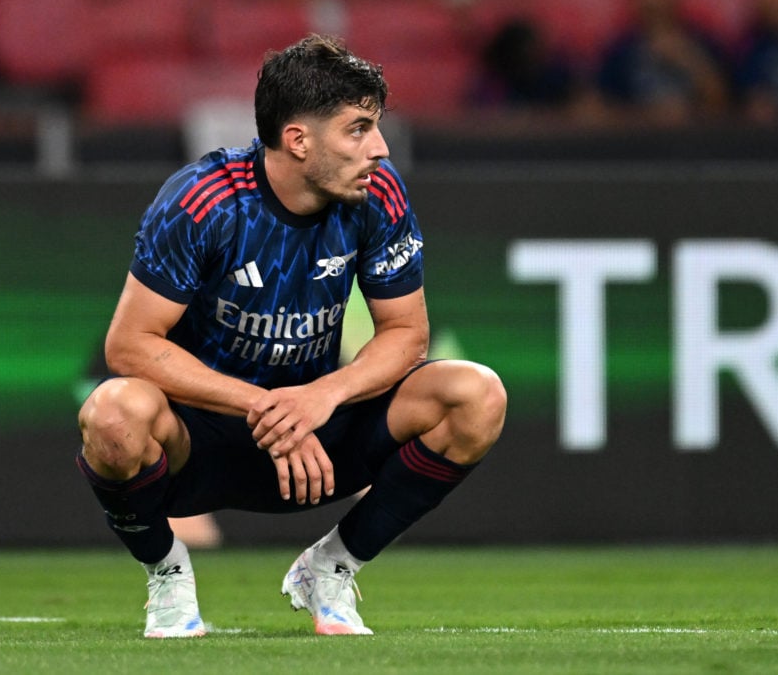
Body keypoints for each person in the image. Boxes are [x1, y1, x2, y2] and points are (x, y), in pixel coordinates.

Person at [76, 33, 507, 638]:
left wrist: (321, 397)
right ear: (299, 140)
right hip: (200, 439)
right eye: (358, 129)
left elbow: (407, 333)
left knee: (476, 394)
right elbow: (129, 345)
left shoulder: (377, 192)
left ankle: (333, 567)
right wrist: (267, 407)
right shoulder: (203, 202)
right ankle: (167, 574)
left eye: (376, 127)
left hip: (321, 437)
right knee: (113, 412)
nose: (380, 148)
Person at [595, 0, 732, 125]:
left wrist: (690, 61)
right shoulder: (621, 51)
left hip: (698, 136)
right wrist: (649, 115)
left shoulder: (703, 43)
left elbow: (726, 106)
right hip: (641, 137)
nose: (653, 0)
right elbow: (599, 110)